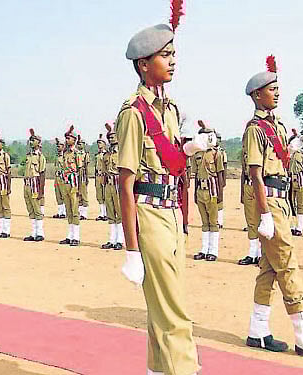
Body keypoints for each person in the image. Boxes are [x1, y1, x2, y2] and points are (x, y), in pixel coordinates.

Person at [116, 7, 211, 373]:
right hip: (150, 215)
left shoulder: (169, 109)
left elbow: (172, 161)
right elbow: (124, 183)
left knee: (162, 311)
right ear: (143, 63)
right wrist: (131, 250)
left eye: (174, 55)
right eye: (165, 55)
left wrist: (189, 149)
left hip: (171, 213)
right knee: (175, 315)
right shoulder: (134, 113)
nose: (173, 62)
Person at [243, 56, 303, 358]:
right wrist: (264, 213)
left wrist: (289, 151)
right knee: (288, 263)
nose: (277, 93)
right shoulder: (256, 129)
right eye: (271, 89)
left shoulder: (275, 125)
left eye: (278, 88)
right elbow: (255, 173)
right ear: (257, 95)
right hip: (269, 202)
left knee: (269, 268)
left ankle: (258, 330)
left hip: (280, 199)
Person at [192, 123, 224, 262]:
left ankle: (213, 251)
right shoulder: (197, 154)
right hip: (201, 190)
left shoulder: (217, 153)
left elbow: (220, 174)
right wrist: (194, 193)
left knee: (213, 222)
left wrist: (220, 195)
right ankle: (204, 249)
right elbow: (196, 175)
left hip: (213, 191)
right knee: (204, 222)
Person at [238, 128, 262, 266]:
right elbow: (243, 172)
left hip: (258, 185)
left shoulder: (260, 149)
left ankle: (261, 254)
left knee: (260, 220)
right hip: (247, 185)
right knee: (250, 220)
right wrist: (242, 192)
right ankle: (252, 253)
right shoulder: (245, 153)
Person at [101, 123, 124, 250]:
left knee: (119, 211)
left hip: (118, 182)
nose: (111, 139)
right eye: (109, 138)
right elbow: (104, 170)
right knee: (110, 211)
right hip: (109, 183)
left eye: (113, 137)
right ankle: (112, 239)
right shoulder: (106, 155)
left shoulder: (122, 152)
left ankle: (120, 240)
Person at [59, 126, 82, 246]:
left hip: (74, 183)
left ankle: (76, 237)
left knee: (74, 209)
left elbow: (80, 170)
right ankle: (70, 235)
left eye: (69, 138)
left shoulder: (76, 153)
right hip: (65, 182)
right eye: (66, 138)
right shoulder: (65, 153)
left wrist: (80, 188)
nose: (67, 140)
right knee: (68, 209)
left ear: (74, 140)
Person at [23, 128, 46, 242]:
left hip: (35, 184)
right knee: (30, 209)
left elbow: (42, 174)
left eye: (33, 140)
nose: (31, 142)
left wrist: (41, 191)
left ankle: (40, 233)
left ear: (38, 142)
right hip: (27, 184)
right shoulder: (28, 155)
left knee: (37, 209)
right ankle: (33, 233)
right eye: (30, 140)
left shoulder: (40, 157)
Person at [288, 129, 303, 237]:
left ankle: (299, 228)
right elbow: (288, 141)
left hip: (300, 181)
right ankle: (292, 226)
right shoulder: (290, 154)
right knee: (291, 204)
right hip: (290, 180)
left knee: (300, 205)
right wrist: (293, 136)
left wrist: (298, 135)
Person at [52, 138, 67, 219]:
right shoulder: (57, 157)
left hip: (63, 177)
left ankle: (64, 212)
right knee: (58, 195)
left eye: (60, 146)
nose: (58, 147)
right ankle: (60, 211)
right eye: (57, 146)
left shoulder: (65, 156)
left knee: (64, 194)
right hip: (57, 177)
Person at [95, 134, 108, 221]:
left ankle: (107, 213)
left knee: (106, 195)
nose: (99, 144)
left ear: (104, 144)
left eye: (100, 143)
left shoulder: (106, 154)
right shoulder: (97, 155)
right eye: (98, 143)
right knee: (99, 195)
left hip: (104, 176)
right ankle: (102, 213)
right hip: (98, 176)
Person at [216, 132, 227, 228]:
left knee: (220, 200)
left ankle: (220, 221)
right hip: (211, 178)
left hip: (219, 178)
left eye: (219, 138)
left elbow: (225, 166)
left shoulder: (222, 152)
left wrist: (224, 180)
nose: (217, 140)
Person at [77, 137, 90, 220]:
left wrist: (87, 177)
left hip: (82, 174)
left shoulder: (85, 154)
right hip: (76, 174)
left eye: (81, 144)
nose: (79, 145)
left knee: (84, 194)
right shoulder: (76, 153)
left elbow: (86, 166)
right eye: (78, 144)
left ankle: (84, 213)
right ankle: (79, 212)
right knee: (78, 194)